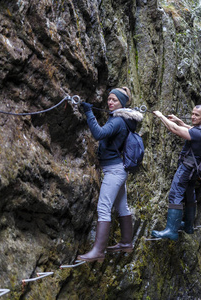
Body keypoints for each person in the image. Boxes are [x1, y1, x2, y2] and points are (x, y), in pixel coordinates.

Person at [77, 87, 143, 262]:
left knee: (104, 208)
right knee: (122, 207)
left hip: (114, 170)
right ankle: (126, 243)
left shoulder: (117, 121)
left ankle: (98, 251)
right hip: (118, 169)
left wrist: (89, 112)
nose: (110, 102)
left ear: (121, 102)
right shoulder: (123, 120)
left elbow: (98, 134)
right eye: (109, 99)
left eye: (114, 100)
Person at [151, 105, 201, 240]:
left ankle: (171, 230)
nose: (193, 117)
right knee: (189, 194)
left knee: (175, 193)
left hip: (187, 168)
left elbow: (173, 129)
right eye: (192, 114)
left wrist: (161, 115)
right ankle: (188, 226)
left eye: (197, 115)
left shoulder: (198, 133)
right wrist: (180, 121)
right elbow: (191, 129)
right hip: (195, 171)